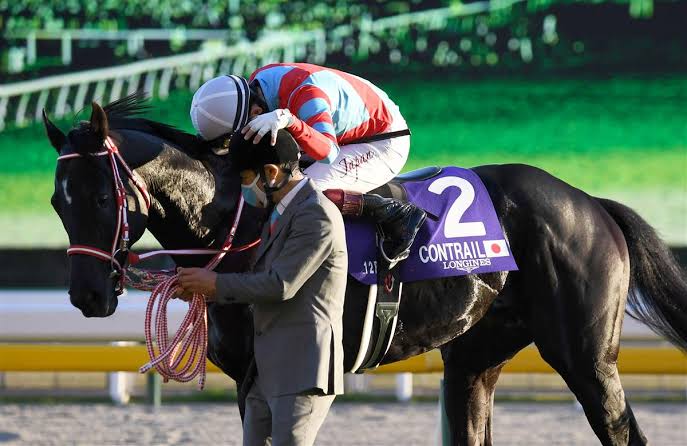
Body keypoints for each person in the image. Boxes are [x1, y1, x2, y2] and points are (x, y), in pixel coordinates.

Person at [177, 130, 347, 446]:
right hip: (265, 370)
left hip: (301, 369)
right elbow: (257, 281)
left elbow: (280, 284)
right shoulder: (280, 211)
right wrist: (199, 287)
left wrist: (214, 285)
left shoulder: (316, 214)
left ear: (271, 172)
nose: (244, 189)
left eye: (245, 178)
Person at [189, 63, 426, 262]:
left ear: (256, 112)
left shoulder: (306, 94)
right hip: (349, 127)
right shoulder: (256, 86)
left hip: (383, 141)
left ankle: (394, 213)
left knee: (301, 191)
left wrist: (291, 122)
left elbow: (329, 152)